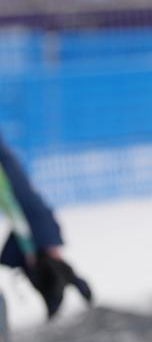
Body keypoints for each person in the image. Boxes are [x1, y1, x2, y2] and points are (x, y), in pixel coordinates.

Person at [0, 132, 92, 319]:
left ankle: (57, 294)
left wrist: (27, 246)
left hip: (31, 217)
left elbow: (14, 208)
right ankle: (68, 288)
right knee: (37, 256)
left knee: (35, 258)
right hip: (33, 214)